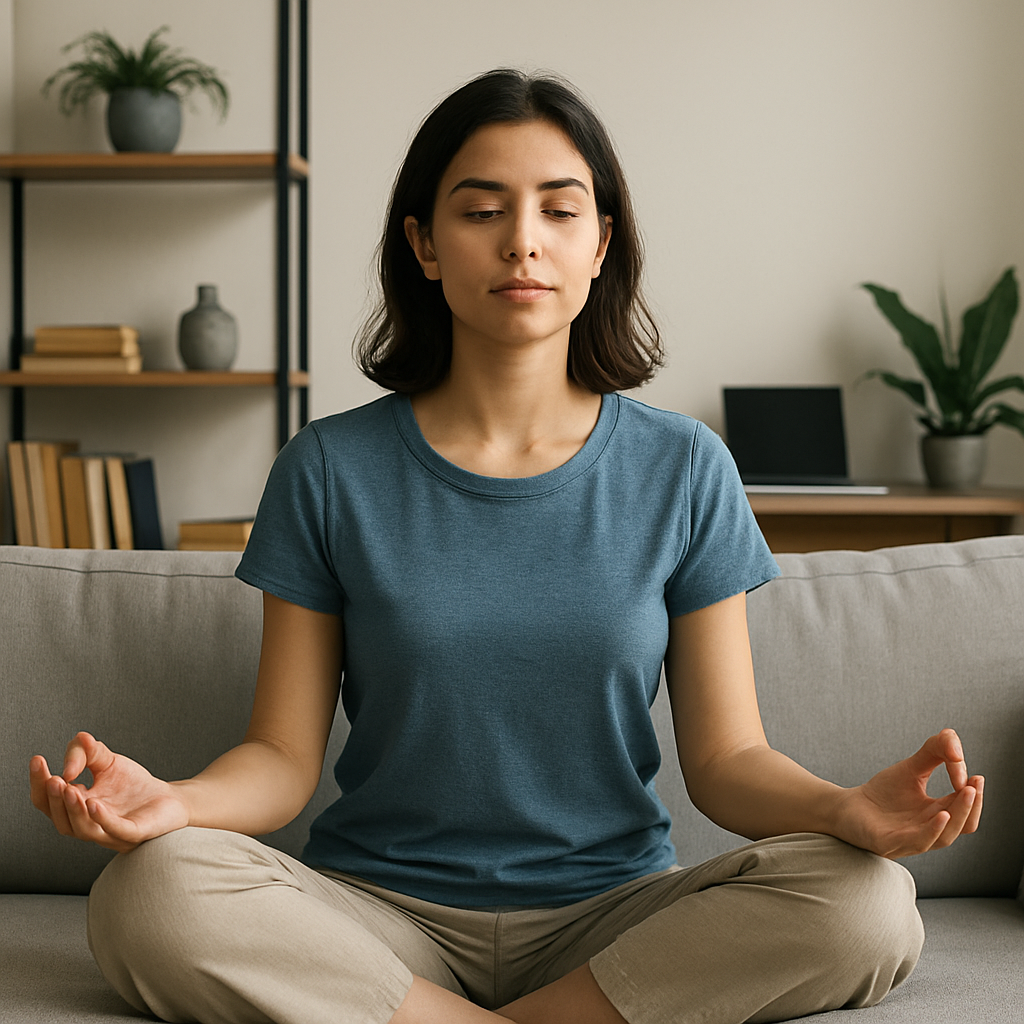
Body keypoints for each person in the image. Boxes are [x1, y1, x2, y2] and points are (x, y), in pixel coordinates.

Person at [29, 69, 983, 1024]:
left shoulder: (686, 468)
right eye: (482, 209)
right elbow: (281, 758)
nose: (522, 240)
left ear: (601, 244)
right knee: (148, 893)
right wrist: (176, 803)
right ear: (425, 245)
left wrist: (843, 808)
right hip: (375, 915)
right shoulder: (328, 467)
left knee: (868, 903)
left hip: (612, 918)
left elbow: (729, 759)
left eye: (560, 212)